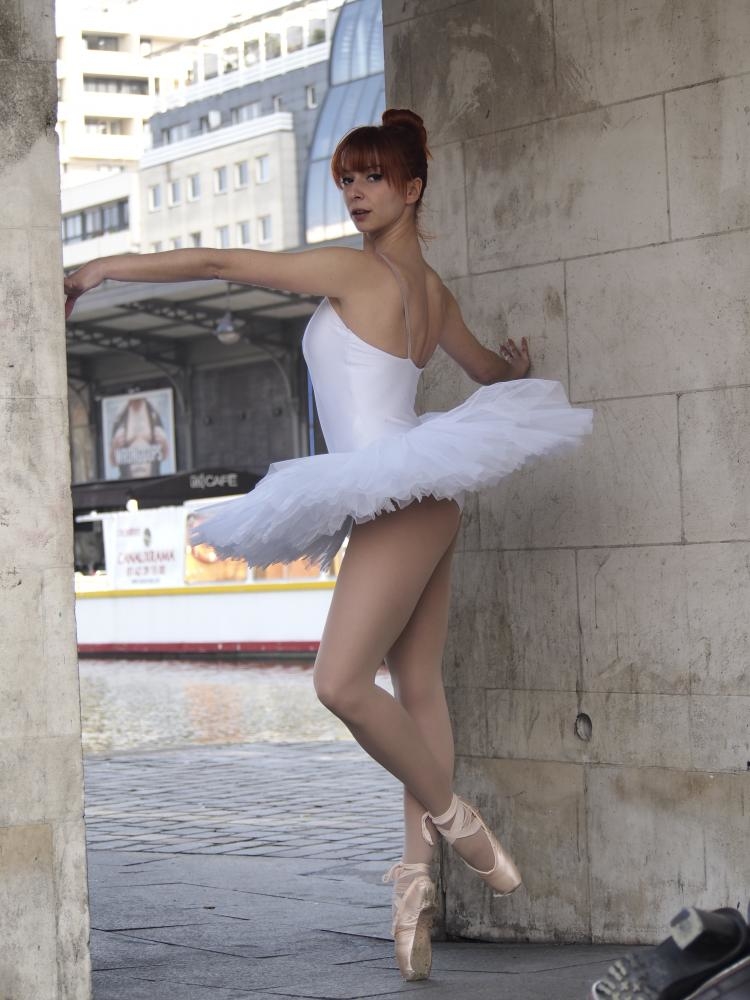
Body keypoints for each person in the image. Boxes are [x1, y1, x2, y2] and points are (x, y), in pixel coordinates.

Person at [64, 108, 592, 982]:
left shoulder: (354, 272)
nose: (354, 191)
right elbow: (487, 373)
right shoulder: (433, 292)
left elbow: (223, 263)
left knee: (338, 683)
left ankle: (457, 822)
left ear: (412, 188)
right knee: (416, 689)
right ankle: (415, 889)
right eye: (347, 178)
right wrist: (514, 368)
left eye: (372, 177)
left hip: (396, 492)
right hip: (423, 492)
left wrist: (103, 267)